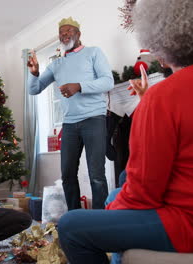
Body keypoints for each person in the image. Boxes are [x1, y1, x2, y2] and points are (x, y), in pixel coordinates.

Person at [58, 0, 193, 263]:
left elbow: (143, 193)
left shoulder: (166, 95)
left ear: (162, 46)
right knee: (119, 189)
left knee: (71, 225)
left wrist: (110, 211)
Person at [27, 17, 114, 210]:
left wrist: (79, 86)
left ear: (78, 34)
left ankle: (100, 219)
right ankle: (76, 217)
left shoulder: (94, 53)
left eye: (68, 31)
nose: (64, 35)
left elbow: (108, 82)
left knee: (96, 174)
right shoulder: (56, 64)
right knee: (67, 174)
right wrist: (33, 73)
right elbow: (34, 90)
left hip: (94, 119)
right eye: (61, 32)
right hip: (69, 124)